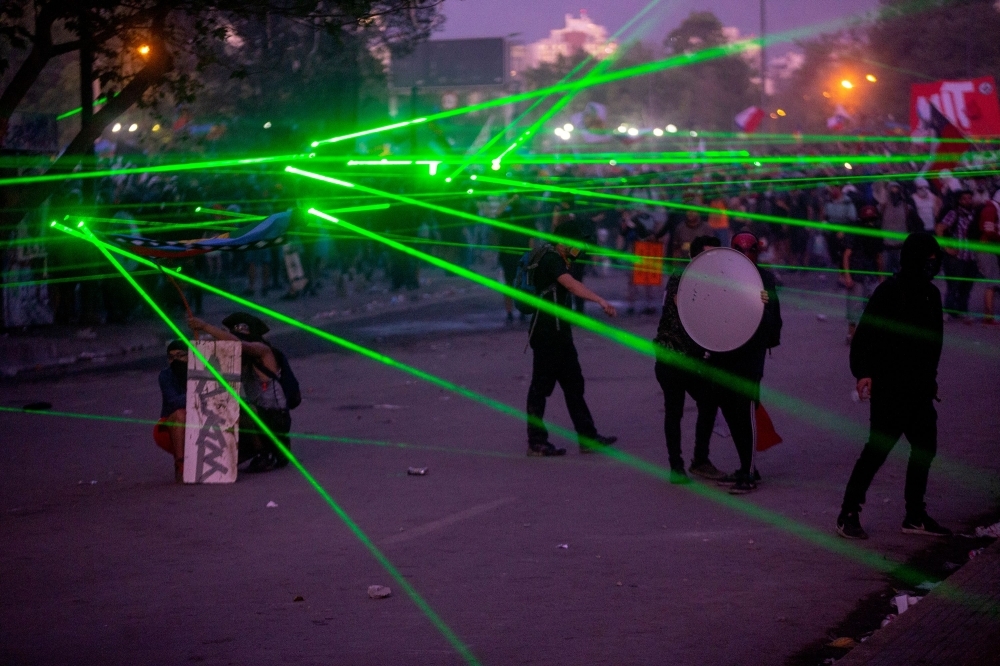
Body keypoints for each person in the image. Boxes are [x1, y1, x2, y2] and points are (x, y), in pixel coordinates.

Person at [836, 233, 951, 540]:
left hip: (919, 390)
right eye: (927, 260)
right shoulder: (890, 291)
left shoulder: (932, 294)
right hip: (891, 388)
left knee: (925, 448)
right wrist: (862, 372)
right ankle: (848, 512)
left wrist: (930, 381)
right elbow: (865, 336)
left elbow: (933, 344)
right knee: (877, 451)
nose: (932, 265)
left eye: (934, 260)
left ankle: (915, 515)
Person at [525, 218, 618, 456]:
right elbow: (572, 285)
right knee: (541, 388)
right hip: (547, 334)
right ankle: (536, 441)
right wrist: (599, 300)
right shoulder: (551, 259)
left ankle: (587, 436)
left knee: (574, 385)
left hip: (559, 334)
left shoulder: (554, 256)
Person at [702, 231, 782, 494]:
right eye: (741, 249)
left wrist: (763, 306)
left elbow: (772, 327)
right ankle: (748, 467)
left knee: (745, 414)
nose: (746, 255)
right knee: (731, 414)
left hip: (749, 360)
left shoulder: (765, 279)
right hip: (724, 356)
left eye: (750, 250)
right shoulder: (722, 276)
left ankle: (747, 473)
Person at [653, 235, 726, 484]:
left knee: (709, 400)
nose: (711, 261)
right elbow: (683, 304)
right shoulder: (681, 275)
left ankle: (700, 460)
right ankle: (676, 465)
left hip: (694, 359)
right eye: (706, 255)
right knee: (674, 411)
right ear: (693, 257)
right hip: (671, 354)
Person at [187, 312, 293, 472]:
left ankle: (266, 452)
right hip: (260, 417)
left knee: (241, 408)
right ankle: (265, 449)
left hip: (274, 419)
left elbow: (238, 344)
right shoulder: (240, 360)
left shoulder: (263, 351)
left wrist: (205, 327)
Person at [842, 205, 885, 344]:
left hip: (871, 273)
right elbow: (846, 255)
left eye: (872, 219)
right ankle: (852, 333)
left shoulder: (876, 233)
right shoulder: (855, 232)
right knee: (854, 305)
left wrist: (881, 277)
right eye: (867, 220)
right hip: (857, 272)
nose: (870, 223)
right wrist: (847, 275)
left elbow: (879, 257)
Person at [936, 190, 978, 321]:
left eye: (970, 198)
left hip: (971, 256)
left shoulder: (973, 215)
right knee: (953, 286)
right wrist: (946, 248)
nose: (968, 201)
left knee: (966, 287)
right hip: (956, 257)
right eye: (964, 199)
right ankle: (947, 311)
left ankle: (962, 311)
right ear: (959, 200)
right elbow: (939, 229)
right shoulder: (954, 213)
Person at [158, 340, 189, 483]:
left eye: (180, 355)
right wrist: (198, 394)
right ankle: (181, 464)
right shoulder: (165, 375)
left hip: (199, 423)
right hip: (168, 427)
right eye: (171, 357)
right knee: (180, 414)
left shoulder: (201, 372)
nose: (176, 360)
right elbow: (174, 402)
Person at [974, 189, 1000, 325]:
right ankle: (988, 315)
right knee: (991, 281)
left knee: (992, 281)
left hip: (987, 248)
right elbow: (988, 231)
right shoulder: (991, 210)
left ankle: (989, 314)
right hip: (986, 249)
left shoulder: (992, 209)